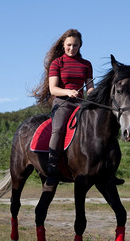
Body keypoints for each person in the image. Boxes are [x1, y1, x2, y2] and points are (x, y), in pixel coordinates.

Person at [33, 29, 94, 186]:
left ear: (80, 46)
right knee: (58, 129)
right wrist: (68, 92)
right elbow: (53, 89)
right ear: (63, 45)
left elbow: (90, 88)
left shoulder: (86, 64)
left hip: (81, 103)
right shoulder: (57, 63)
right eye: (69, 45)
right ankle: (52, 169)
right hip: (63, 103)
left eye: (75, 45)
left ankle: (103, 168)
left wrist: (95, 96)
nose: (72, 48)